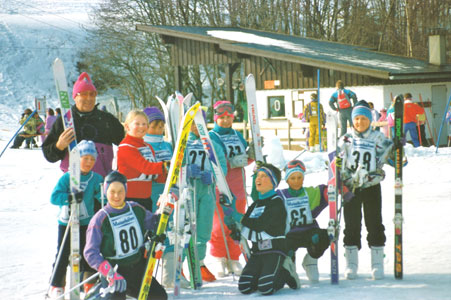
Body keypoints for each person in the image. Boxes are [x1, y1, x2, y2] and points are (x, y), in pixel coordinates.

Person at [84, 171, 168, 300]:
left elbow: (154, 222)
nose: (116, 196)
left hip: (137, 267)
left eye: (120, 191)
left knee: (159, 296)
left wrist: (167, 204)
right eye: (112, 191)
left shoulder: (135, 208)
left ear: (126, 191)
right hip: (115, 271)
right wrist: (109, 273)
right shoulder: (100, 219)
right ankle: (97, 294)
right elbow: (90, 253)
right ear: (106, 191)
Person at [337, 100, 394, 280]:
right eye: (357, 119)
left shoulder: (378, 138)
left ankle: (377, 263)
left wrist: (398, 150)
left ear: (370, 120)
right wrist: (338, 178)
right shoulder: (346, 139)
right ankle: (351, 263)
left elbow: (394, 158)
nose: (360, 122)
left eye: (363, 119)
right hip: (351, 188)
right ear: (352, 120)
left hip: (371, 187)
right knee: (352, 224)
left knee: (374, 222)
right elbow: (337, 162)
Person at [48, 140, 103, 298]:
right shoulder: (67, 178)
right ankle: (57, 284)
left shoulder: (95, 178)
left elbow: (101, 195)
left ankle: (88, 282)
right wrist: (70, 197)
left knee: (89, 252)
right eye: (85, 158)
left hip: (87, 222)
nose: (89, 162)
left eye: (92, 159)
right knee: (63, 253)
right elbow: (54, 197)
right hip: (67, 222)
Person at [42, 72, 124, 177]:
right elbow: (49, 156)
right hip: (73, 182)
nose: (89, 98)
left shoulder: (107, 120)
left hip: (101, 181)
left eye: (92, 94)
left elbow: (126, 143)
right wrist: (59, 146)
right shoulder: (65, 121)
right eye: (84, 94)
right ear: (75, 97)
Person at [237, 163, 299, 295]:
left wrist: (239, 217)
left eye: (263, 176)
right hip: (258, 252)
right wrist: (234, 227)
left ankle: (286, 272)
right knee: (244, 287)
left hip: (275, 250)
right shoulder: (255, 204)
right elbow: (246, 227)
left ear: (273, 182)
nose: (258, 179)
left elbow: (259, 225)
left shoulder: (276, 202)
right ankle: (264, 273)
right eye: (257, 176)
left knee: (266, 287)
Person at [209, 100, 252, 277]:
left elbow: (244, 159)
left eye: (229, 117)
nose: (226, 121)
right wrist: (231, 162)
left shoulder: (237, 134)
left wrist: (251, 156)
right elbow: (213, 160)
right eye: (222, 117)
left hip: (239, 188)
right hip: (221, 188)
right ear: (216, 118)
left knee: (236, 224)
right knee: (219, 226)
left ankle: (234, 257)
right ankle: (219, 257)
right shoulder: (211, 136)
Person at [278, 159, 330, 283]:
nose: (296, 181)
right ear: (287, 180)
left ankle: (310, 261)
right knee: (286, 247)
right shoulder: (281, 195)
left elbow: (324, 191)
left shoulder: (309, 192)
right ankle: (290, 267)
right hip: (290, 234)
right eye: (293, 178)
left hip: (309, 231)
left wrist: (333, 190)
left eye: (299, 177)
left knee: (323, 237)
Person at [117, 110, 168, 211]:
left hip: (146, 198)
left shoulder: (147, 147)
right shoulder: (125, 147)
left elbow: (156, 175)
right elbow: (145, 167)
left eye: (144, 124)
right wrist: (166, 165)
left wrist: (170, 176)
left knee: (147, 226)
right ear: (127, 127)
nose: (141, 127)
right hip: (130, 198)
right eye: (137, 124)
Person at [143, 106, 173, 212]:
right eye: (153, 127)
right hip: (151, 192)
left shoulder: (168, 145)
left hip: (169, 191)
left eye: (160, 127)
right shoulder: (142, 146)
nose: (157, 131)